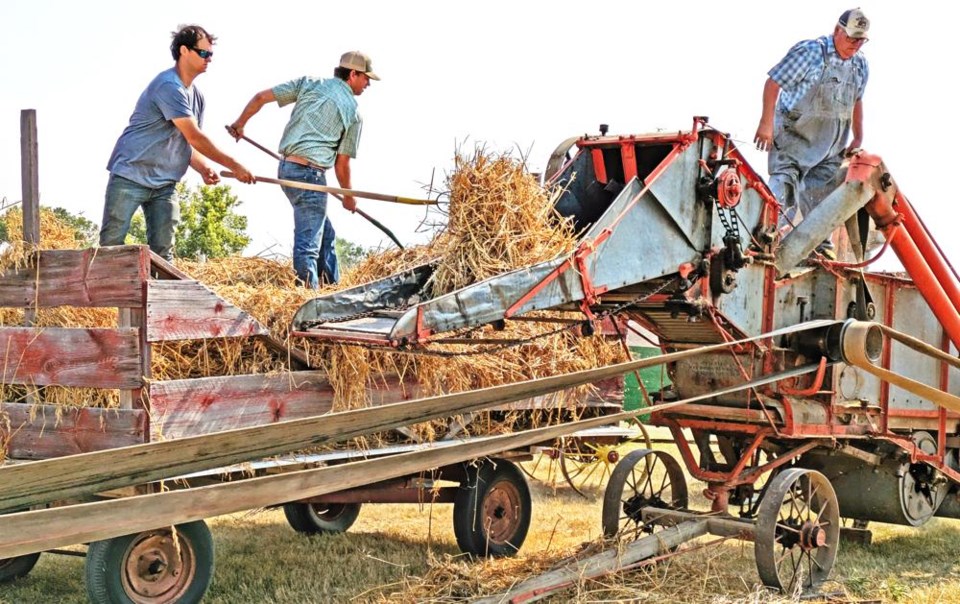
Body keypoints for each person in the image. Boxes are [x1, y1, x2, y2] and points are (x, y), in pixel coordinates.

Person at [100, 25, 255, 261]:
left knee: (164, 255)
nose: (209, 59)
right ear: (184, 51)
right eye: (203, 53)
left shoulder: (197, 96)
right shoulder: (168, 86)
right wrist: (235, 165)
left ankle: (160, 297)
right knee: (111, 246)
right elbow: (195, 137)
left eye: (210, 54)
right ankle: (106, 297)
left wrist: (203, 168)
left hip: (165, 184)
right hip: (131, 174)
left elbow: (187, 143)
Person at [229, 51, 379, 288]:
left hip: (287, 169)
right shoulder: (353, 112)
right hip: (310, 176)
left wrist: (240, 124)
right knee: (308, 245)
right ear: (353, 74)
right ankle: (307, 301)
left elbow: (260, 98)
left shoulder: (309, 83)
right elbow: (342, 164)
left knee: (325, 237)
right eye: (366, 78)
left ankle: (333, 291)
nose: (368, 83)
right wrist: (349, 197)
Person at [754, 8, 870, 260]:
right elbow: (773, 83)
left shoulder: (860, 65)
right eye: (851, 38)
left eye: (861, 40)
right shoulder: (810, 52)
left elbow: (857, 100)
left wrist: (858, 136)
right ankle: (763, 238)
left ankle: (818, 243)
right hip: (795, 139)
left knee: (820, 192)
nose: (856, 44)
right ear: (837, 30)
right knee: (785, 186)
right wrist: (766, 123)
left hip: (830, 144)